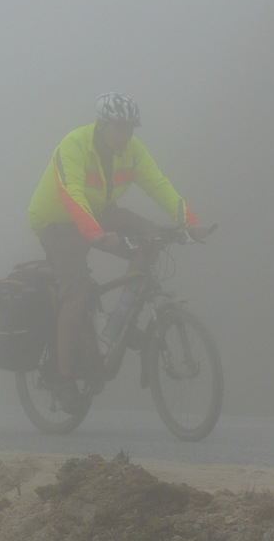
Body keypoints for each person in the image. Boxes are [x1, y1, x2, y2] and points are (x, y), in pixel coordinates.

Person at [27, 92, 210, 412]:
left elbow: (159, 185)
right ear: (101, 124)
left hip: (100, 212)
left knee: (152, 239)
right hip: (58, 222)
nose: (125, 135)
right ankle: (63, 375)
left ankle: (120, 321)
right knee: (78, 293)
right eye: (118, 128)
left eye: (130, 129)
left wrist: (190, 222)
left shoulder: (132, 150)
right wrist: (95, 234)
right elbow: (70, 193)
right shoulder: (73, 144)